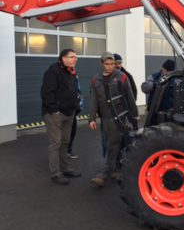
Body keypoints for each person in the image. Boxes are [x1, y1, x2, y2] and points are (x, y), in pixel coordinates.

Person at [89, 52, 138, 187]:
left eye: (112, 64)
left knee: (113, 144)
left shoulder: (121, 77)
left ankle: (104, 173)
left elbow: (129, 96)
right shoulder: (95, 80)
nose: (110, 67)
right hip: (105, 118)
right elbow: (94, 100)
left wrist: (134, 115)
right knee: (112, 144)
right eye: (107, 64)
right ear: (101, 64)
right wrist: (91, 118)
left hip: (120, 117)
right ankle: (116, 169)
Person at [41, 49, 82, 185]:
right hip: (56, 115)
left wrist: (76, 108)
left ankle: (65, 168)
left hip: (69, 113)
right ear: (63, 58)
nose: (75, 59)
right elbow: (47, 92)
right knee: (55, 143)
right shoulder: (53, 72)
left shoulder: (70, 72)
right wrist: (54, 110)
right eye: (72, 57)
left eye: (76, 57)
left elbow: (74, 91)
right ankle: (55, 173)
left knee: (65, 142)